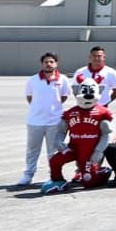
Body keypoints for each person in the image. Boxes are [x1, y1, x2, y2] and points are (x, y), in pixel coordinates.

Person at [42, 80, 113, 194]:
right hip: (73, 148)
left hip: (89, 153)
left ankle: (102, 172)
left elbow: (106, 133)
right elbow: (61, 130)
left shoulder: (102, 112)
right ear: (76, 92)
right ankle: (58, 181)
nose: (87, 96)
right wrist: (59, 142)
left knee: (88, 182)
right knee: (55, 160)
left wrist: (99, 151)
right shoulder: (70, 113)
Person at [21, 52, 72, 186]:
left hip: (54, 122)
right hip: (35, 121)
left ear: (56, 64)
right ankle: (28, 174)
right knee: (32, 150)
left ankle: (53, 176)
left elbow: (64, 97)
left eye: (51, 62)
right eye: (46, 62)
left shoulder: (63, 79)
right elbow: (30, 98)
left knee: (53, 151)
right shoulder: (33, 80)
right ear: (42, 64)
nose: (48, 64)